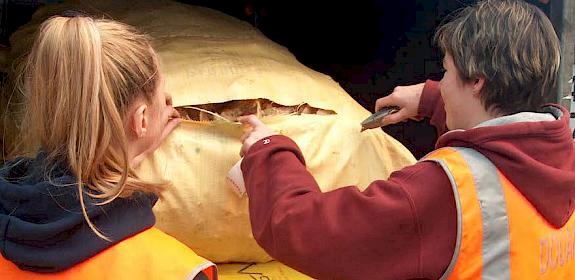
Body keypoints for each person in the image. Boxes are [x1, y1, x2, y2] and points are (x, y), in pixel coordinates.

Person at [237, 0, 575, 279]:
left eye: (446, 72)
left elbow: (307, 233)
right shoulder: (559, 158)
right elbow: (503, 141)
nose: (441, 82)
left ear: (477, 83)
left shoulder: (444, 191)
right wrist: (432, 101)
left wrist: (268, 153)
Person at [0, 13, 217, 279]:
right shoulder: (173, 270)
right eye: (163, 96)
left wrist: (124, 154)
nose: (169, 101)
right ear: (141, 120)